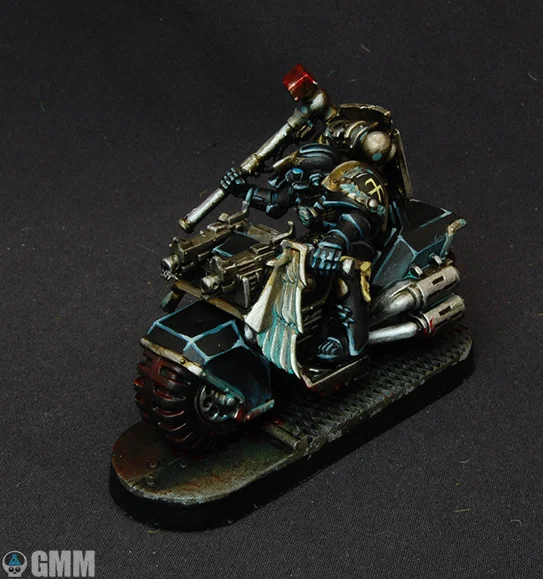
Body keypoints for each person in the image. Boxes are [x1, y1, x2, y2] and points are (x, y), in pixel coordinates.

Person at [220, 129, 393, 363]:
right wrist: (243, 190)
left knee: (346, 271)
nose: (295, 181)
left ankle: (352, 343)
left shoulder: (348, 187)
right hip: (315, 242)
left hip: (353, 247)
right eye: (295, 175)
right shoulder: (301, 186)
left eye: (301, 175)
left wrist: (335, 242)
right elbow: (274, 203)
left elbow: (359, 220)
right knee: (274, 261)